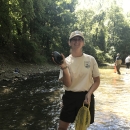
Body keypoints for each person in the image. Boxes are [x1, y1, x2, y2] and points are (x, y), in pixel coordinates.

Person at [53, 30, 100, 130]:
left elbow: (97, 80)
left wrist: (89, 93)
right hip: (69, 97)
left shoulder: (91, 59)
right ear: (69, 42)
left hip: (86, 98)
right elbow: (68, 84)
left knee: (81, 128)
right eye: (74, 39)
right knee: (62, 128)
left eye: (79, 39)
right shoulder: (65, 61)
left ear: (83, 42)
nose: (77, 41)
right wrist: (64, 67)